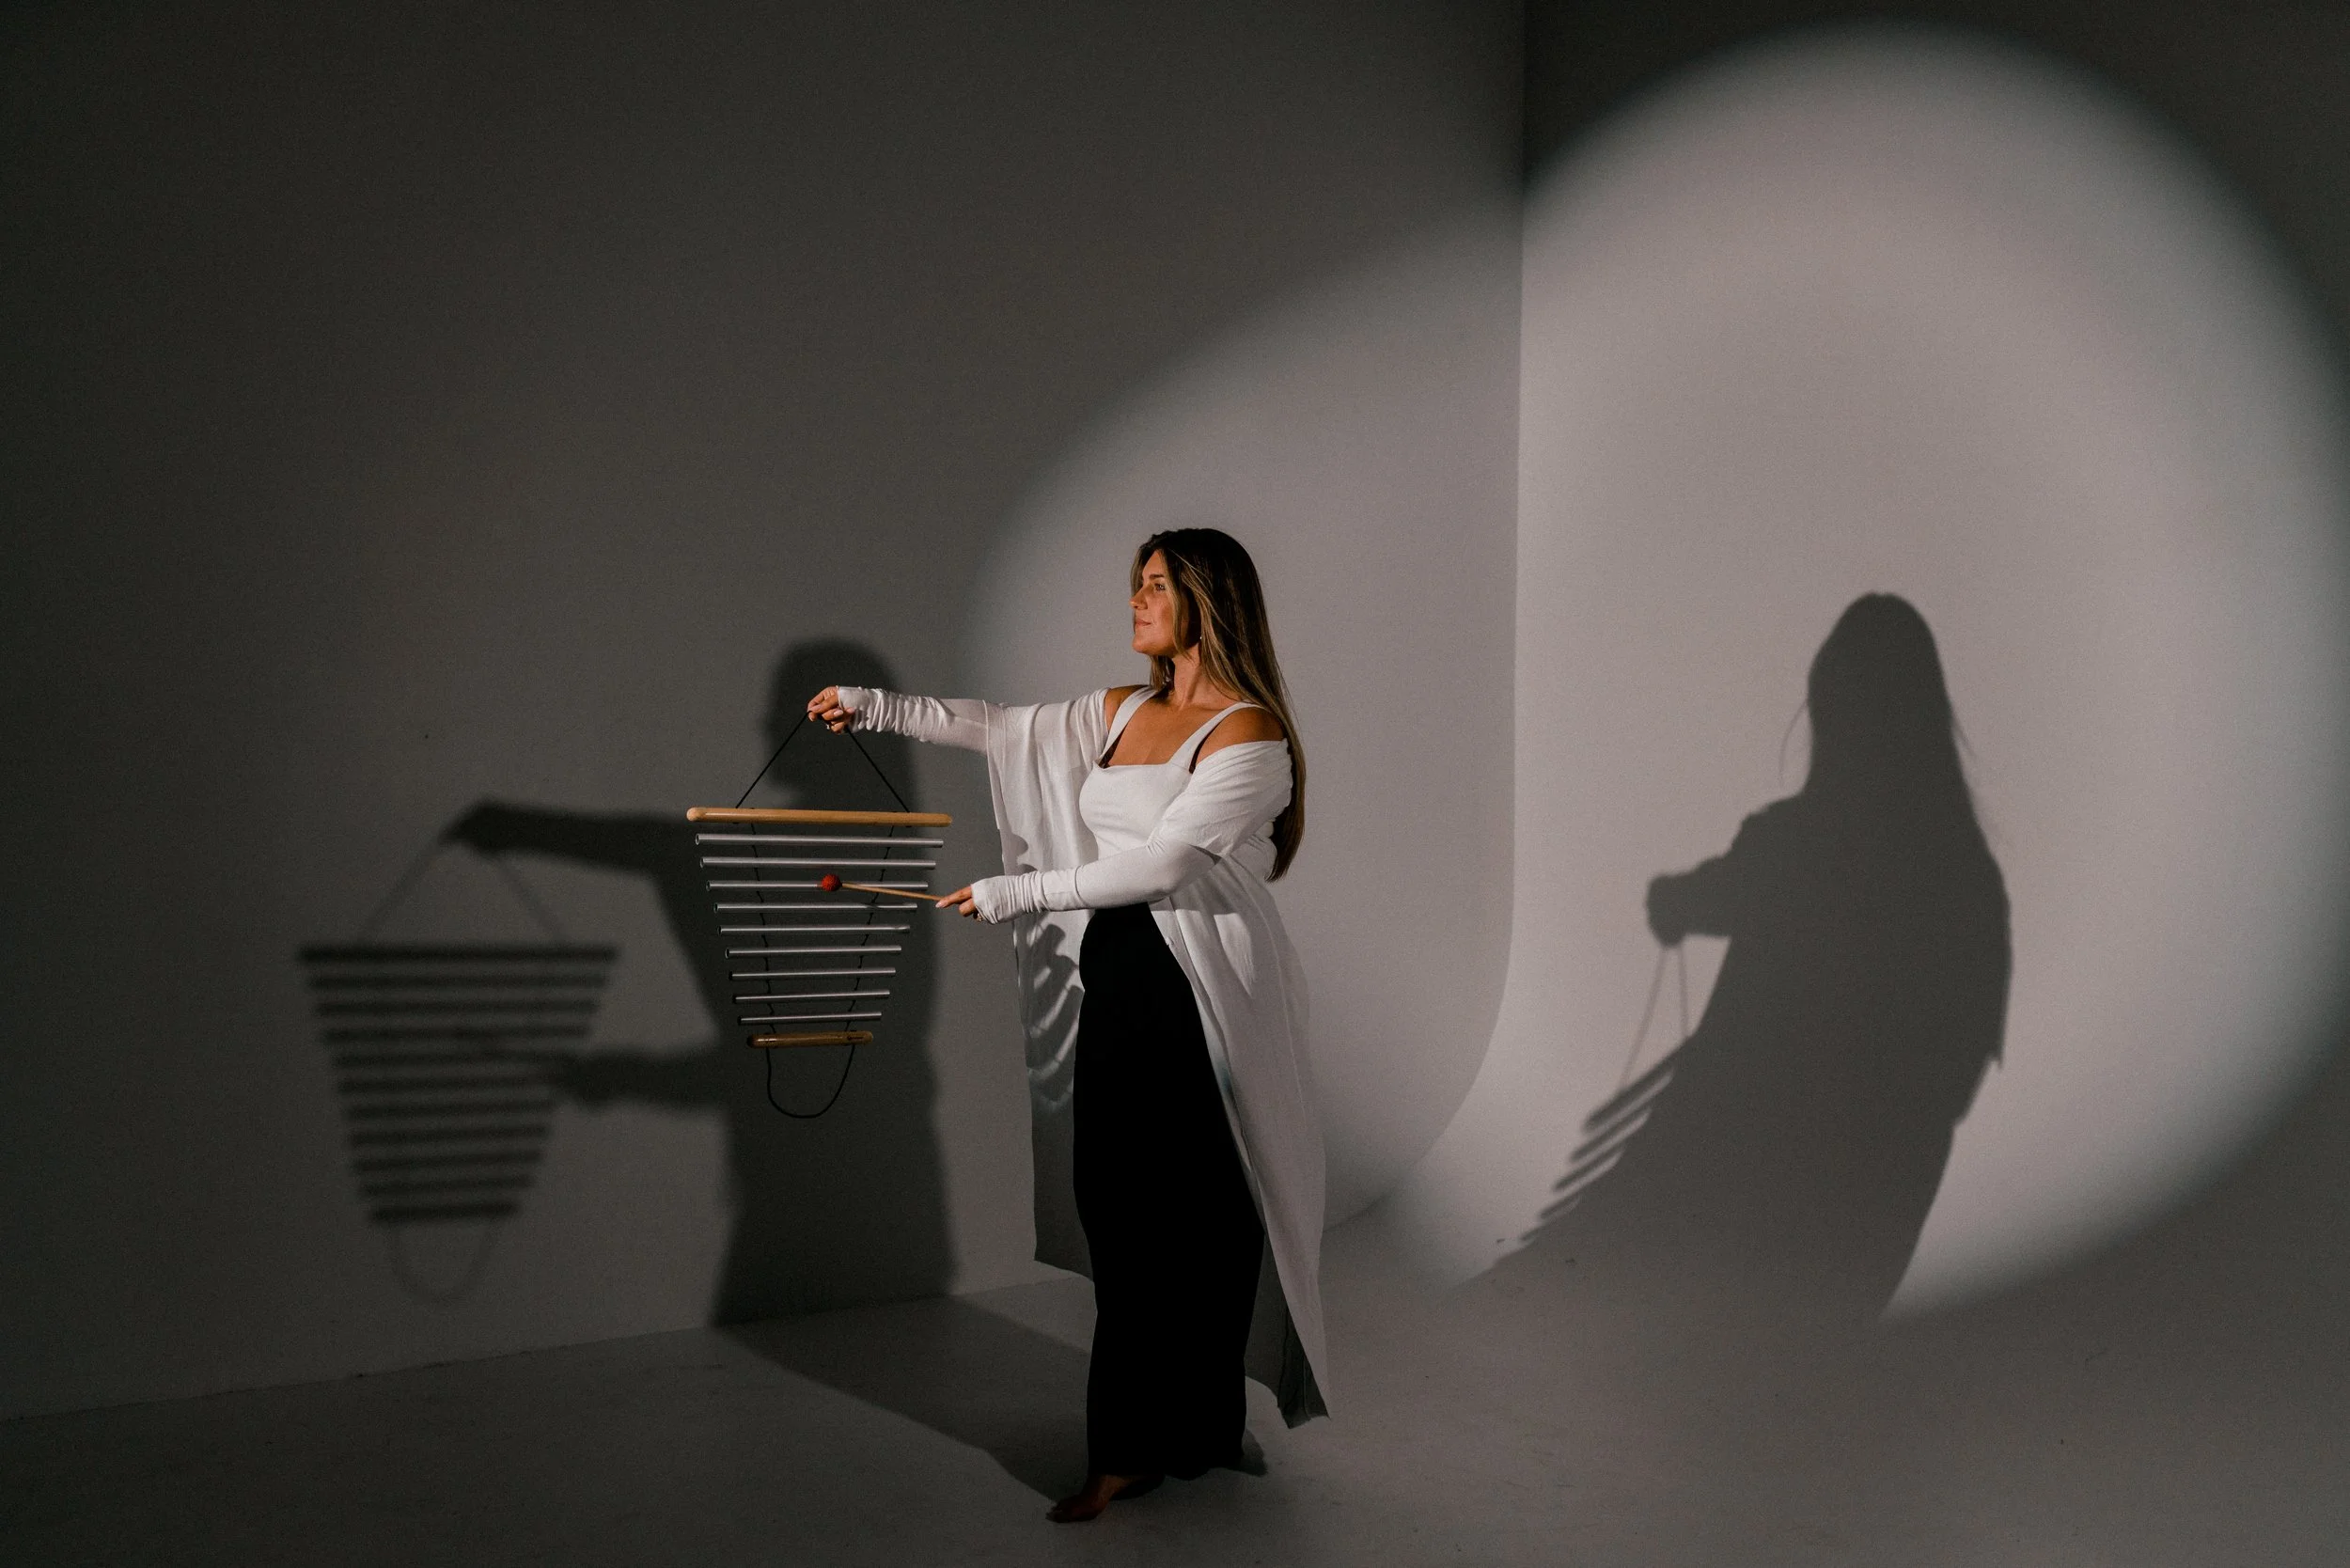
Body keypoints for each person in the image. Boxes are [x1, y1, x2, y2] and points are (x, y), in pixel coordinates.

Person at [806, 527, 1326, 1523]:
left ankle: (1193, 1430)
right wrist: (876, 709)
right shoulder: (1126, 707)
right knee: (1126, 1209)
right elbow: (1000, 727)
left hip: (1210, 990)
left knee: (1211, 1218)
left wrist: (1020, 891)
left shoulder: (1249, 736)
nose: (1134, 602)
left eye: (1156, 586)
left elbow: (1164, 868)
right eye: (1133, 584)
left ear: (1207, 599)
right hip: (1126, 970)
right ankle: (1138, 1441)